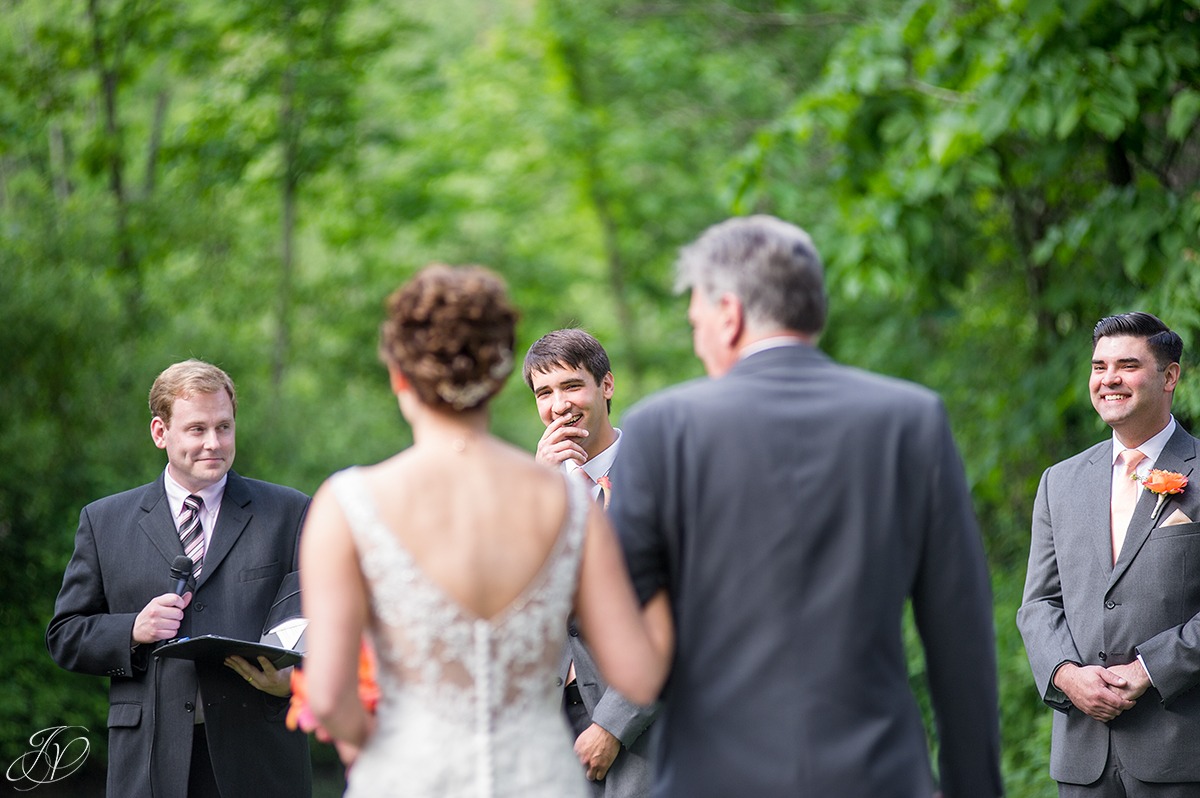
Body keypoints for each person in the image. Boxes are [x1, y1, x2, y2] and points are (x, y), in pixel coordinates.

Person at [611, 215, 1003, 797]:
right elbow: (961, 637)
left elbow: (626, 638)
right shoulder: (909, 419)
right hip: (877, 776)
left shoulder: (659, 429)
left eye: (696, 321)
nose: (698, 342)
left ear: (729, 315)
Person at [298, 265, 673, 797]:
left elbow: (330, 697)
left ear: (398, 377)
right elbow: (640, 666)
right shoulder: (563, 500)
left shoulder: (345, 503)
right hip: (540, 772)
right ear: (499, 380)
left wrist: (383, 753)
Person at [46, 360, 312, 798]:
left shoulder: (290, 512)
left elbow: (319, 625)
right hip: (149, 763)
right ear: (159, 432)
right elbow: (65, 635)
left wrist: (294, 682)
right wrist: (133, 629)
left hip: (260, 759)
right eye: (197, 429)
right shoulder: (103, 521)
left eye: (224, 427)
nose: (214, 443)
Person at [1018, 312, 1200, 797]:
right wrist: (1065, 674)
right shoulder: (1060, 482)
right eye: (1099, 367)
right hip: (1084, 759)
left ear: (1169, 375)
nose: (1109, 379)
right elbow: (1039, 603)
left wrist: (1149, 669)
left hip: (1183, 751)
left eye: (1127, 365)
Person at [523, 328, 659, 796]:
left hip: (643, 727)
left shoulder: (657, 479)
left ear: (606, 385)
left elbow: (683, 612)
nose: (558, 405)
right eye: (544, 392)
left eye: (571, 385)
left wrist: (613, 725)